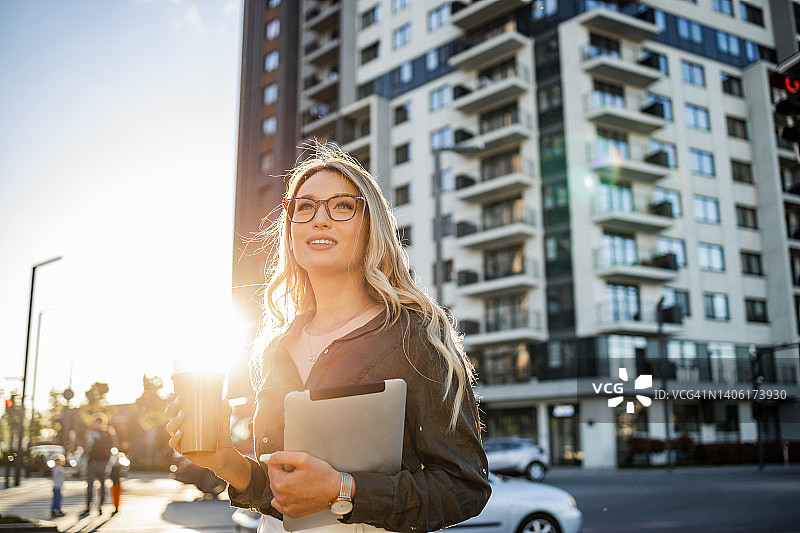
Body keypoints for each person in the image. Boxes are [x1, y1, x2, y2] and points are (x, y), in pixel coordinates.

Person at [166, 145, 491, 532]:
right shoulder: (274, 348)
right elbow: (282, 497)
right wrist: (225, 461)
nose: (320, 219)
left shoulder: (414, 335)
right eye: (304, 207)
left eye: (341, 206)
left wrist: (343, 489)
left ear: (370, 225)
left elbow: (464, 488)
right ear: (290, 228)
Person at [83, 413, 115, 515]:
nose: (97, 425)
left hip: (102, 462)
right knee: (90, 485)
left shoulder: (107, 433)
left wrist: (101, 440)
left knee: (102, 485)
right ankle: (88, 506)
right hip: (92, 462)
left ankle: (100, 506)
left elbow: (111, 446)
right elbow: (87, 446)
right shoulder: (91, 432)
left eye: (99, 422)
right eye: (95, 422)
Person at [50, 454, 66, 518]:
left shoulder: (59, 469)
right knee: (57, 499)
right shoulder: (57, 469)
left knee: (57, 499)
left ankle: (55, 510)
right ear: (56, 463)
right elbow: (65, 472)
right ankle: (57, 511)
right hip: (56, 487)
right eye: (58, 462)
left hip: (58, 487)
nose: (60, 463)